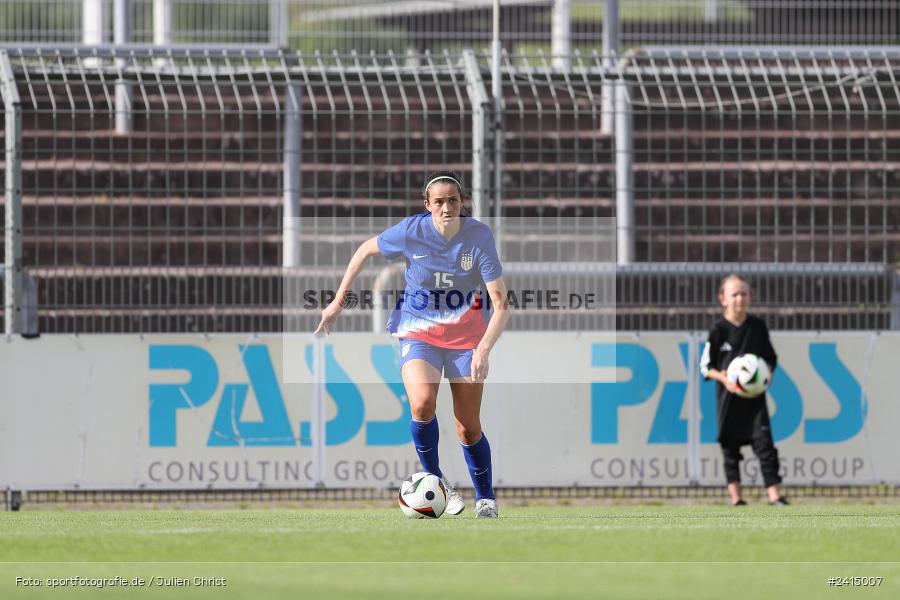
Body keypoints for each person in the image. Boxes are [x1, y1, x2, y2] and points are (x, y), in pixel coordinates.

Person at [315, 170, 510, 518]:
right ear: (427, 205)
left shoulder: (478, 236)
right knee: (422, 404)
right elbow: (364, 250)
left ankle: (485, 499)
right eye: (439, 202)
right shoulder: (411, 231)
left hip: (466, 339)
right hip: (419, 334)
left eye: (453, 200)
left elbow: (501, 304)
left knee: (468, 426)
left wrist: (483, 349)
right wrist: (337, 301)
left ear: (462, 202)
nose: (447, 207)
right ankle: (436, 484)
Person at [699, 274, 788, 507]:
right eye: (734, 294)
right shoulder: (718, 330)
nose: (740, 299)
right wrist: (724, 378)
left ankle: (774, 496)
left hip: (755, 399)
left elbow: (770, 359)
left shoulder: (757, 327)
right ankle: (737, 498)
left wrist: (764, 377)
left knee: (765, 445)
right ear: (723, 299)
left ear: (750, 297)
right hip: (728, 399)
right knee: (730, 447)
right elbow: (705, 366)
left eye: (744, 294)